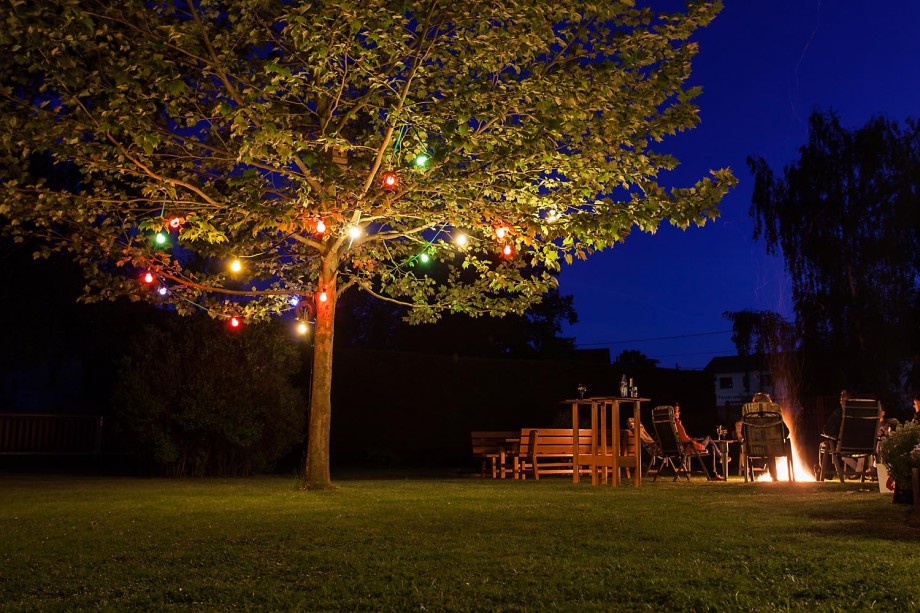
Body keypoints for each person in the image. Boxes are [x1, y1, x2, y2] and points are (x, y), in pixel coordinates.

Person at [674, 402, 724, 480]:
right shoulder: (676, 424)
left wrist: (692, 439)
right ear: (672, 412)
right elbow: (684, 439)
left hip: (680, 446)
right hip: (687, 446)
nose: (678, 413)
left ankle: (714, 473)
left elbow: (682, 438)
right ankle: (720, 457)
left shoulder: (669, 424)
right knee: (708, 437)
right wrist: (691, 440)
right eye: (677, 411)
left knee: (711, 446)